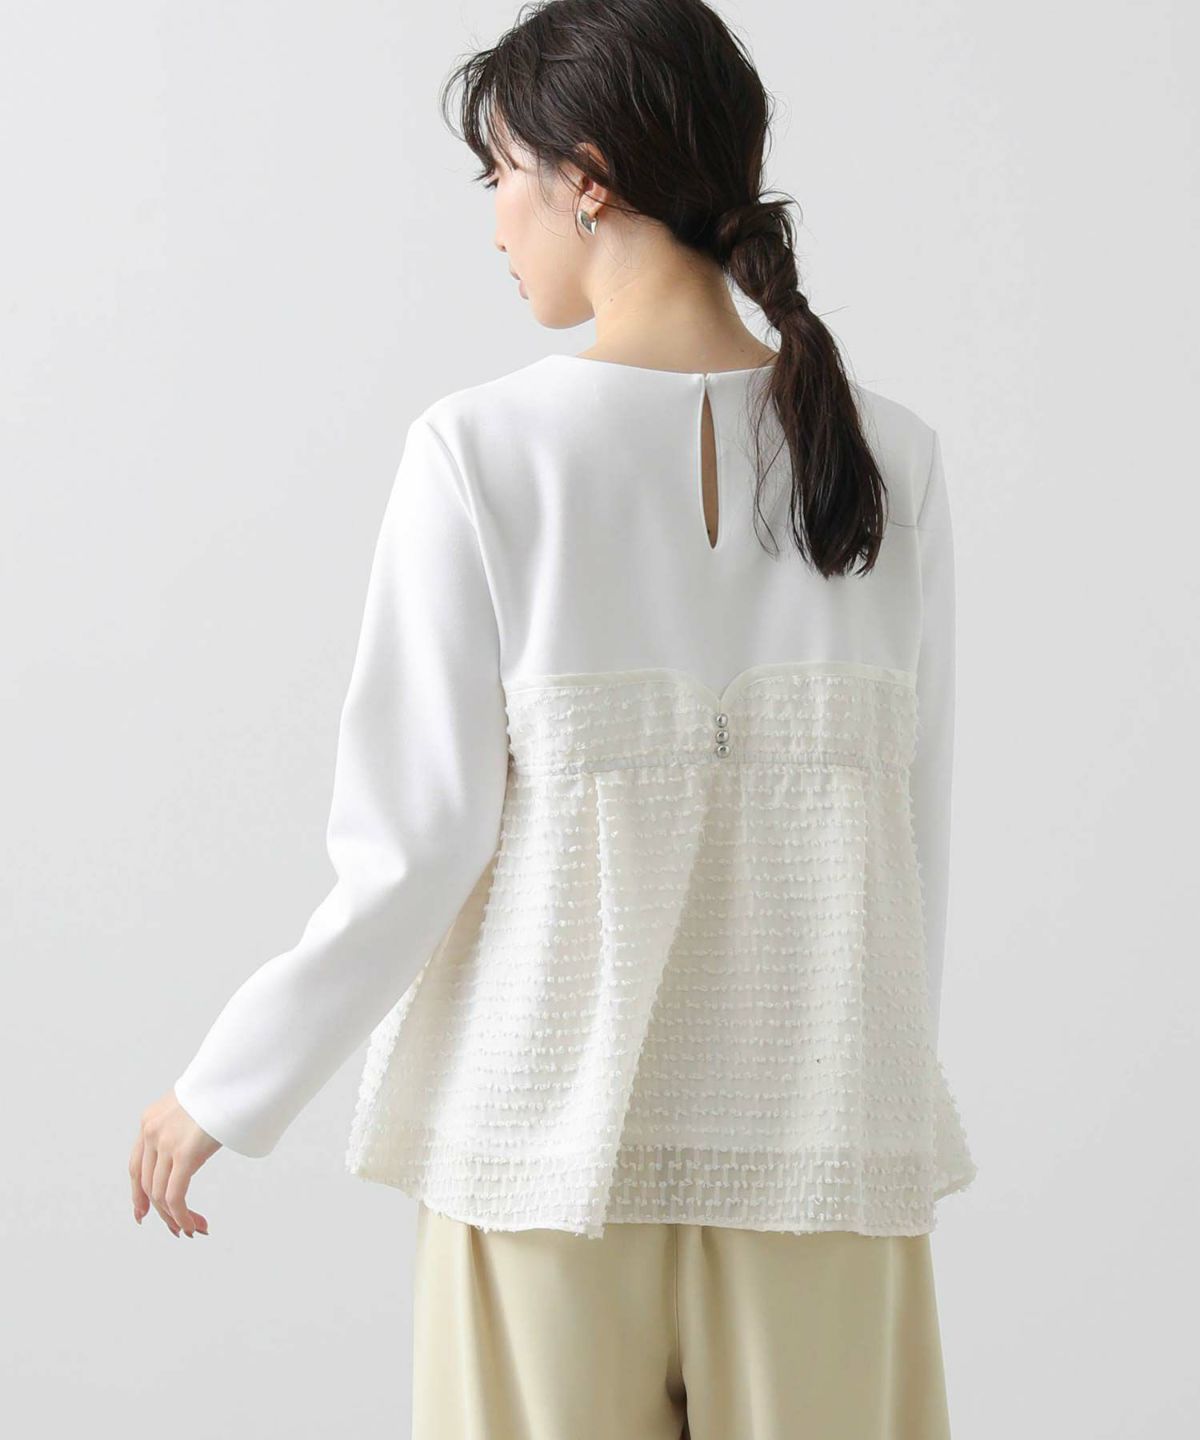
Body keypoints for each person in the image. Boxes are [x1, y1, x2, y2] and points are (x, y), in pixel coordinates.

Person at [131, 1, 978, 1434]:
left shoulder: (480, 454)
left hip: (541, 1173)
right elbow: (913, 851)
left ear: (587, 180)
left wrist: (228, 1086)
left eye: (499, 176)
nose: (494, 223)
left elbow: (416, 848)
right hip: (825, 1157)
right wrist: (871, 1104)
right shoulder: (893, 458)